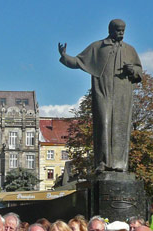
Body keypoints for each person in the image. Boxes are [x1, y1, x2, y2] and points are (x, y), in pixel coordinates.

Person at [58, 19, 142, 172]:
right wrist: (64, 56)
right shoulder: (98, 47)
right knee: (103, 124)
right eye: (118, 30)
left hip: (123, 95)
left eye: (123, 30)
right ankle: (102, 163)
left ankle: (120, 164)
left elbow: (139, 72)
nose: (121, 33)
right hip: (103, 92)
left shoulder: (130, 50)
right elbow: (78, 61)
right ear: (110, 30)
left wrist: (133, 71)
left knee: (121, 127)